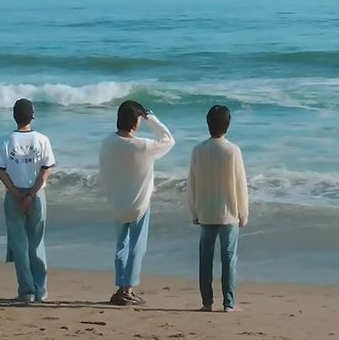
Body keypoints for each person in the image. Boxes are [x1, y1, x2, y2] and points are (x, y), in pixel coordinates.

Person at [98, 99, 175, 305]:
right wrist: (152, 118)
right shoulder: (142, 146)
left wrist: (109, 194)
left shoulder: (107, 142)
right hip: (139, 203)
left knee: (121, 245)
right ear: (135, 122)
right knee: (136, 246)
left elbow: (103, 171)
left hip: (117, 201)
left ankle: (120, 286)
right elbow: (168, 139)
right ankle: (127, 289)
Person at [0, 98, 55, 303]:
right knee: (36, 242)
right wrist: (31, 194)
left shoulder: (6, 140)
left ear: (14, 116)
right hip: (36, 195)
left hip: (14, 195)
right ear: (32, 116)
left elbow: (1, 172)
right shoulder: (42, 140)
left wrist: (18, 194)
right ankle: (40, 290)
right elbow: (46, 171)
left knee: (19, 244)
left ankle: (26, 290)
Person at [187, 103, 248, 312]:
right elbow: (240, 184)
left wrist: (194, 211)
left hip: (205, 211)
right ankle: (228, 303)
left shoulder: (198, 150)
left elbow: (192, 184)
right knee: (229, 259)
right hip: (228, 213)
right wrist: (243, 213)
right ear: (228, 125)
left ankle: (207, 302)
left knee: (205, 259)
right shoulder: (233, 151)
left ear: (208, 124)